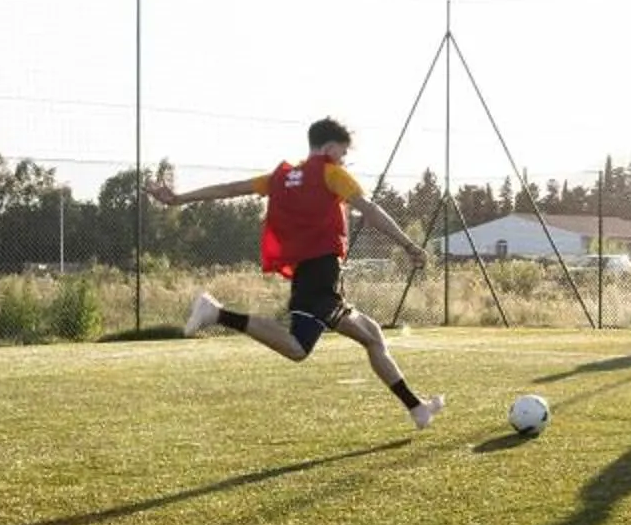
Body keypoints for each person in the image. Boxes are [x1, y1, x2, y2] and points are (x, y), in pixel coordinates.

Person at [153, 118, 446, 430]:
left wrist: (178, 199)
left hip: (313, 275)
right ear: (331, 147)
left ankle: (417, 409)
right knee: (299, 348)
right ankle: (217, 314)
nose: (343, 160)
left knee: (370, 336)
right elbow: (370, 210)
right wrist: (408, 244)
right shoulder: (332, 173)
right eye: (343, 153)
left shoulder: (281, 177)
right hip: (320, 276)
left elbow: (229, 189)